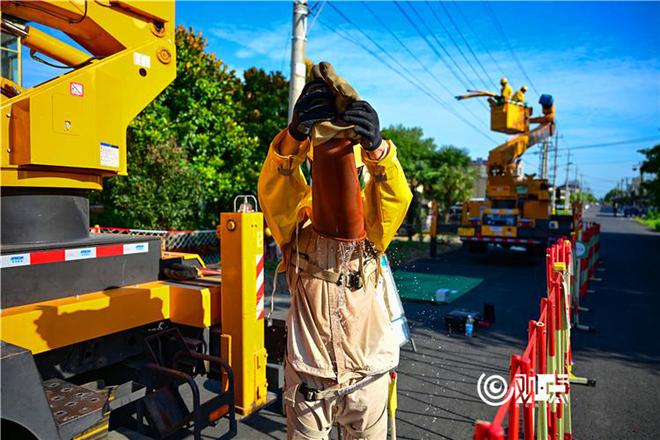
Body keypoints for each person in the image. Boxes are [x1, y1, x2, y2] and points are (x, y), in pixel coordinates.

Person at [258, 71, 412, 439]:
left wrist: (379, 151)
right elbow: (275, 191)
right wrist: (294, 138)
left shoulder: (372, 232)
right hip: (310, 378)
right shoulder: (297, 232)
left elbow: (396, 198)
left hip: (367, 375)